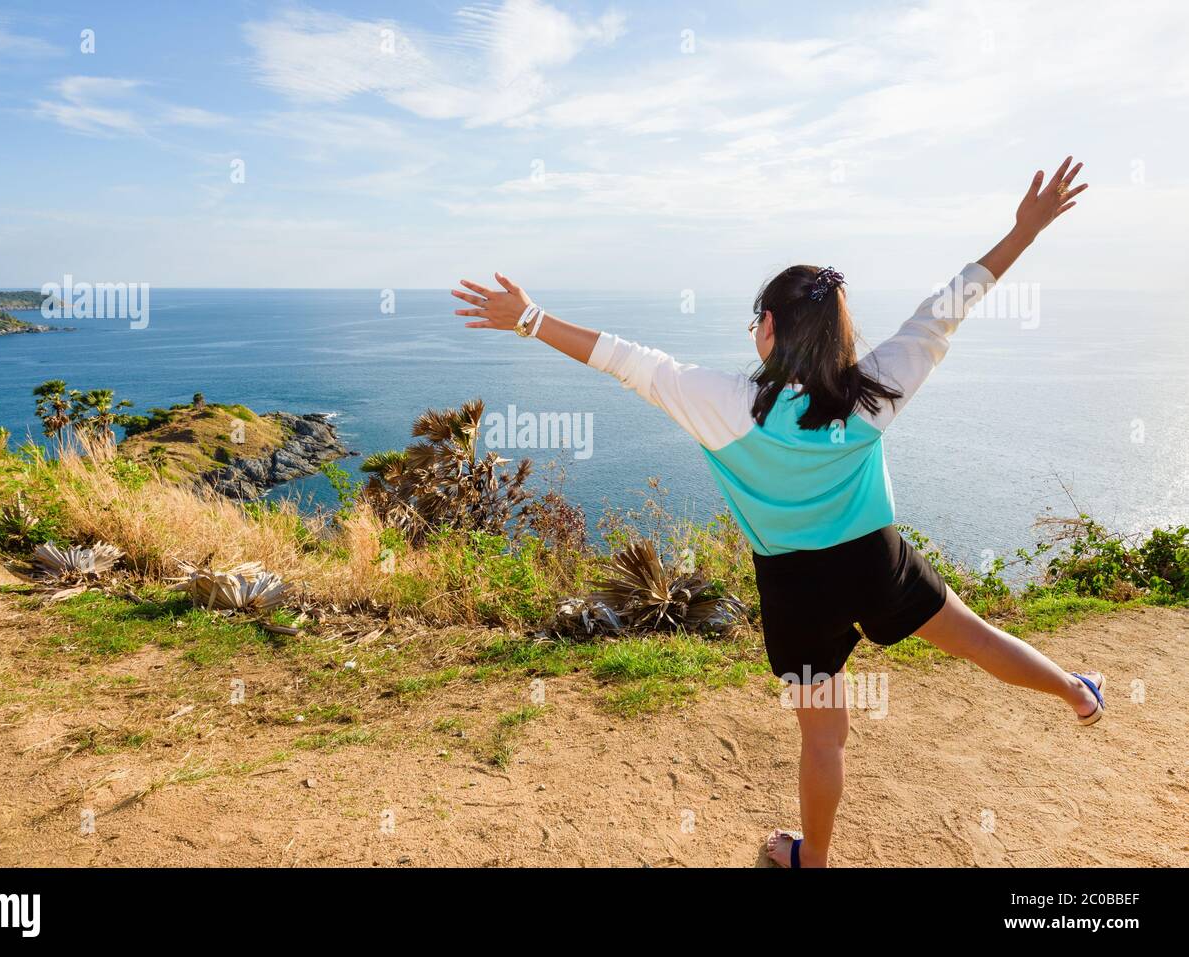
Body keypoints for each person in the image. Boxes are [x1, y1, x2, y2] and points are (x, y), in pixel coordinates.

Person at [451, 157, 1100, 868]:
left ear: (767, 326)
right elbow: (949, 306)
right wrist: (1024, 231)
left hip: (794, 587)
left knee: (823, 738)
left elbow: (624, 360)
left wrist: (531, 318)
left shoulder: (725, 405)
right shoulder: (871, 393)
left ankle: (811, 859)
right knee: (978, 641)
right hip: (876, 562)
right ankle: (1077, 693)